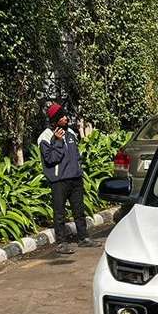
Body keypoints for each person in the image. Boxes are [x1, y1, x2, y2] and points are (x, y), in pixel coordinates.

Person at [38, 103, 95, 254]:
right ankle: (61, 242)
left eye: (65, 115)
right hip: (59, 181)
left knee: (79, 210)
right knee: (59, 213)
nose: (65, 118)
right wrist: (57, 141)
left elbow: (76, 154)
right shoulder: (45, 137)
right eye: (62, 117)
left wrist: (79, 169)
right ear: (55, 120)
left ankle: (84, 238)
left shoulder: (71, 133)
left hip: (75, 178)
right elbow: (50, 159)